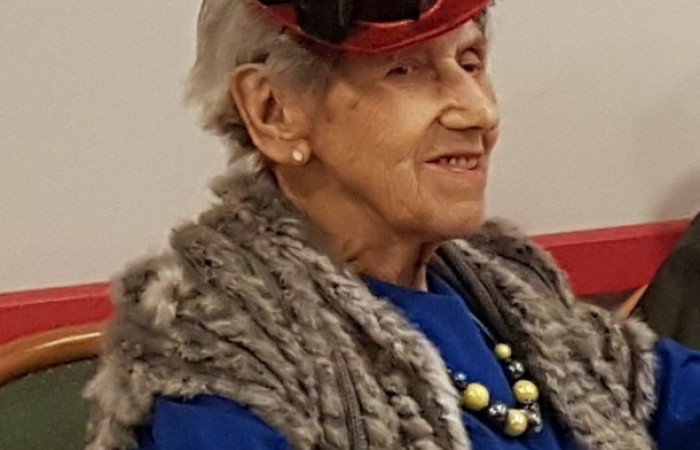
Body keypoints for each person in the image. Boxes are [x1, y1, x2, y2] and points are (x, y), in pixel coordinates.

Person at [84, 1, 700, 449]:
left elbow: (672, 395)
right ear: (275, 112)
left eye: (471, 61)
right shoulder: (221, 364)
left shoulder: (505, 291)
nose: (478, 111)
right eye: (404, 70)